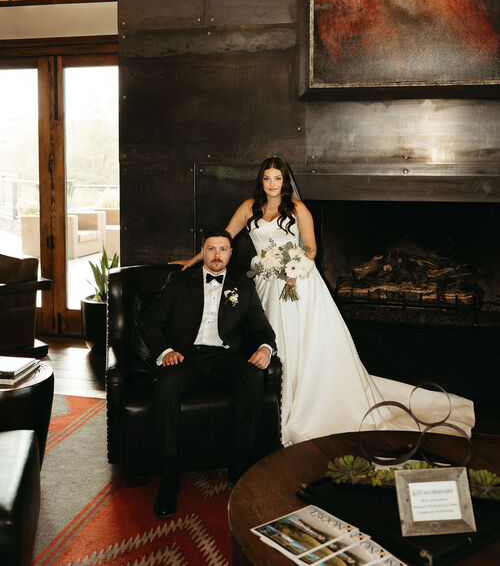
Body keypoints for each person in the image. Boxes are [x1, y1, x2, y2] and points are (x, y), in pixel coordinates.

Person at [172, 158, 475, 447]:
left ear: (285, 181)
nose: (272, 183)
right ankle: (272, 405)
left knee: (303, 343)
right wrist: (193, 260)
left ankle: (304, 404)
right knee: (269, 339)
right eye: (266, 178)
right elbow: (222, 239)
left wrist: (291, 266)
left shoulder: (298, 208)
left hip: (297, 282)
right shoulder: (248, 208)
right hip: (264, 283)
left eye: (277, 178)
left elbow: (312, 249)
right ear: (260, 181)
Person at [140, 227, 276, 518]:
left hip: (225, 358)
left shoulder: (242, 284)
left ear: (231, 253)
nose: (216, 255)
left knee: (253, 376)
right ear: (202, 251)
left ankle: (240, 463)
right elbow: (149, 322)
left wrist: (266, 348)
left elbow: (260, 324)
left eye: (223, 249)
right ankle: (170, 474)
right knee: (166, 385)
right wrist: (166, 351)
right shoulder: (180, 282)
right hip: (186, 358)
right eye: (211, 248)